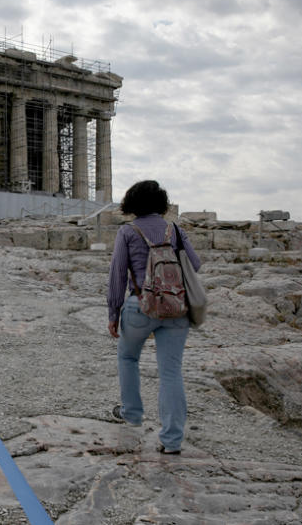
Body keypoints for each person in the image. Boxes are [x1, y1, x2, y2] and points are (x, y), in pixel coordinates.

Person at [106, 180, 201, 455]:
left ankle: (132, 414)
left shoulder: (127, 231)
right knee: (171, 372)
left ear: (131, 204)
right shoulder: (176, 230)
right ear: (161, 202)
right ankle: (171, 441)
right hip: (175, 307)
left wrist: (114, 312)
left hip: (140, 306)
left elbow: (117, 274)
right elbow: (194, 264)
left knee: (128, 357)